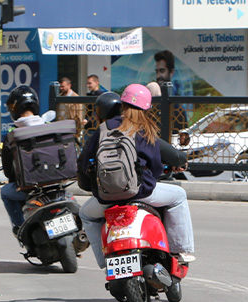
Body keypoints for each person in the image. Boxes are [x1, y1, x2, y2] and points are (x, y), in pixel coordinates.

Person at [78, 86, 195, 268]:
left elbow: (85, 164)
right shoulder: (143, 129)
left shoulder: (102, 129)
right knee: (178, 196)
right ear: (147, 107)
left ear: (122, 104)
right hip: (141, 192)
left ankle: (104, 261)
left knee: (85, 215)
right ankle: (180, 250)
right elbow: (156, 167)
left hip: (106, 197)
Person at [0, 85, 46, 235]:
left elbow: (8, 172)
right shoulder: (49, 128)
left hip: (30, 188)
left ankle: (21, 229)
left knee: (5, 192)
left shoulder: (13, 135)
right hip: (57, 184)